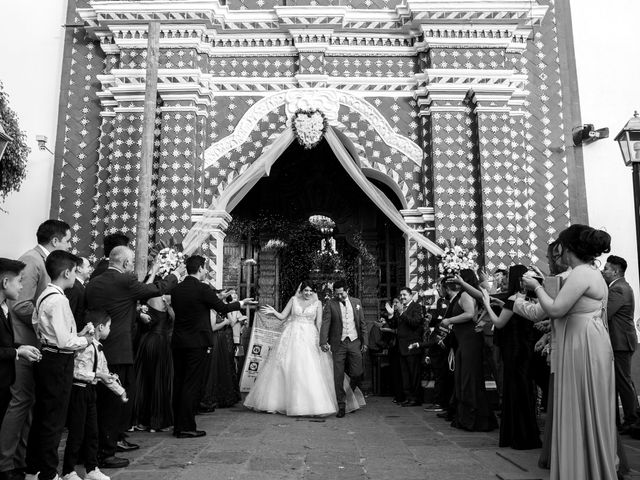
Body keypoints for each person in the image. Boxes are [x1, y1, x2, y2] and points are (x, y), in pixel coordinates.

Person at [521, 224, 617, 479]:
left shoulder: (581, 274)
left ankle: (581, 467)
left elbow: (555, 309)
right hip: (585, 338)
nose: (556, 253)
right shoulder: (588, 272)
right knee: (583, 403)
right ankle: (586, 463)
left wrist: (535, 287)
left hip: (582, 343)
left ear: (567, 247)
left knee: (580, 402)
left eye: (559, 246)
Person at [85, 246, 179, 468]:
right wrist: (176, 275)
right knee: (117, 401)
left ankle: (92, 448)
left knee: (96, 403)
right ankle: (108, 451)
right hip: (119, 350)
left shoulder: (94, 283)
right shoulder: (124, 282)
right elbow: (155, 289)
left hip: (98, 348)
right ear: (126, 264)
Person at [0, 219, 71, 480]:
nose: (69, 245)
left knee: (29, 403)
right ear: (55, 241)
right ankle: (7, 463)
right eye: (67, 240)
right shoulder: (31, 260)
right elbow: (21, 304)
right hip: (22, 342)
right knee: (20, 402)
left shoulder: (41, 261)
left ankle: (21, 460)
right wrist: (47, 320)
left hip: (32, 344)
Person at [244, 280, 364, 417]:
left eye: (310, 291)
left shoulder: (318, 304)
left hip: (309, 336)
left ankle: (312, 404)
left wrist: (323, 341)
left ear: (314, 292)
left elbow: (319, 323)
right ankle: (281, 402)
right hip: (291, 336)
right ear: (301, 290)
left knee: (309, 368)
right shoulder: (293, 299)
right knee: (287, 366)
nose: (307, 293)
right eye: (305, 290)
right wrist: (274, 312)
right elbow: (283, 316)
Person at [171, 255, 254, 438]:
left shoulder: (176, 289)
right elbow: (222, 308)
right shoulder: (202, 288)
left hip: (178, 341)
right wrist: (240, 303)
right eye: (205, 268)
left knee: (179, 382)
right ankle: (186, 427)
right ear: (200, 268)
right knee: (191, 384)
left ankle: (178, 424)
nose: (206, 271)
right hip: (197, 342)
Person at [30, 250, 95, 480]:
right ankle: (48, 472)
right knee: (54, 420)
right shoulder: (58, 300)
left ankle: (35, 468)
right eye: (75, 271)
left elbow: (42, 326)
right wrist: (84, 340)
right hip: (58, 359)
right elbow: (64, 340)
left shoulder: (46, 295)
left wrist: (76, 333)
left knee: (45, 416)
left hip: (49, 355)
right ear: (67, 272)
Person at [62, 310, 128, 480]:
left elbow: (104, 372)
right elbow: (76, 371)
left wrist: (120, 391)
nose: (110, 330)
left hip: (90, 392)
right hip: (79, 391)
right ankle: (68, 470)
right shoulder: (84, 346)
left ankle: (91, 469)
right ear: (100, 327)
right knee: (77, 432)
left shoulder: (99, 348)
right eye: (109, 327)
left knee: (92, 431)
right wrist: (97, 376)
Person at [481, 265, 541, 450]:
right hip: (527, 348)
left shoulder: (514, 299)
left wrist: (486, 305)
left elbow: (499, 323)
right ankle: (528, 432)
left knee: (514, 390)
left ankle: (516, 434)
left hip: (513, 350)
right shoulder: (531, 298)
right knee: (525, 390)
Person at [441, 270, 496, 432]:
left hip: (469, 341)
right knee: (466, 378)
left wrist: (449, 320)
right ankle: (471, 417)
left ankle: (473, 418)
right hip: (465, 341)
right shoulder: (468, 293)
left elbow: (470, 314)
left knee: (468, 379)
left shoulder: (465, 295)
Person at [132, 266, 175, 433]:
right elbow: (175, 319)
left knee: (145, 380)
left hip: (146, 342)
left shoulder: (145, 298)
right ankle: (157, 421)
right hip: (161, 342)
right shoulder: (166, 299)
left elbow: (142, 291)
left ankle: (142, 420)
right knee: (160, 381)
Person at [0, 260, 41, 428]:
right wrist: (17, 353)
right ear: (4, 282)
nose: (21, 287)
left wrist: (19, 347)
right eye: (19, 281)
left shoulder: (4, 307)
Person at [320, 280, 368, 418]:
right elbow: (325, 323)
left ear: (347, 290)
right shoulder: (330, 304)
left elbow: (362, 323)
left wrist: (365, 342)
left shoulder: (356, 302)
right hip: (338, 343)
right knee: (338, 375)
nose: (339, 296)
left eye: (342, 293)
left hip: (354, 342)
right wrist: (323, 341)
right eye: (337, 294)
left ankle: (348, 395)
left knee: (357, 372)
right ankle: (341, 405)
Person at [602, 255, 639, 433]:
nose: (603, 271)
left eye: (607, 269)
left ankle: (632, 420)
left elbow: (605, 314)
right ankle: (633, 418)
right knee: (624, 381)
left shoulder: (618, 289)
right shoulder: (620, 286)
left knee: (624, 382)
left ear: (615, 271)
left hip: (621, 342)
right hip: (621, 341)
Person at [201, 295, 241, 410]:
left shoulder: (221, 309)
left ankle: (225, 397)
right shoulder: (211, 311)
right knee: (214, 367)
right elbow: (212, 327)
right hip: (216, 339)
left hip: (223, 339)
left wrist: (230, 313)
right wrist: (224, 323)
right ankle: (211, 398)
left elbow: (232, 322)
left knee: (224, 366)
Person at [388, 287, 423, 407]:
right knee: (405, 374)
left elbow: (415, 323)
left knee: (414, 374)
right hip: (401, 347)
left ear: (411, 296)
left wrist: (402, 312)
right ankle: (408, 397)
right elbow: (395, 326)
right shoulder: (400, 308)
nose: (402, 297)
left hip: (412, 346)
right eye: (401, 295)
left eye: (404, 295)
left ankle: (415, 398)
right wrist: (391, 315)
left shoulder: (417, 307)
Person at [65, 257, 92, 330]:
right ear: (79, 269)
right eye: (88, 267)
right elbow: (70, 313)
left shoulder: (78, 285)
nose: (91, 269)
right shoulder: (74, 287)